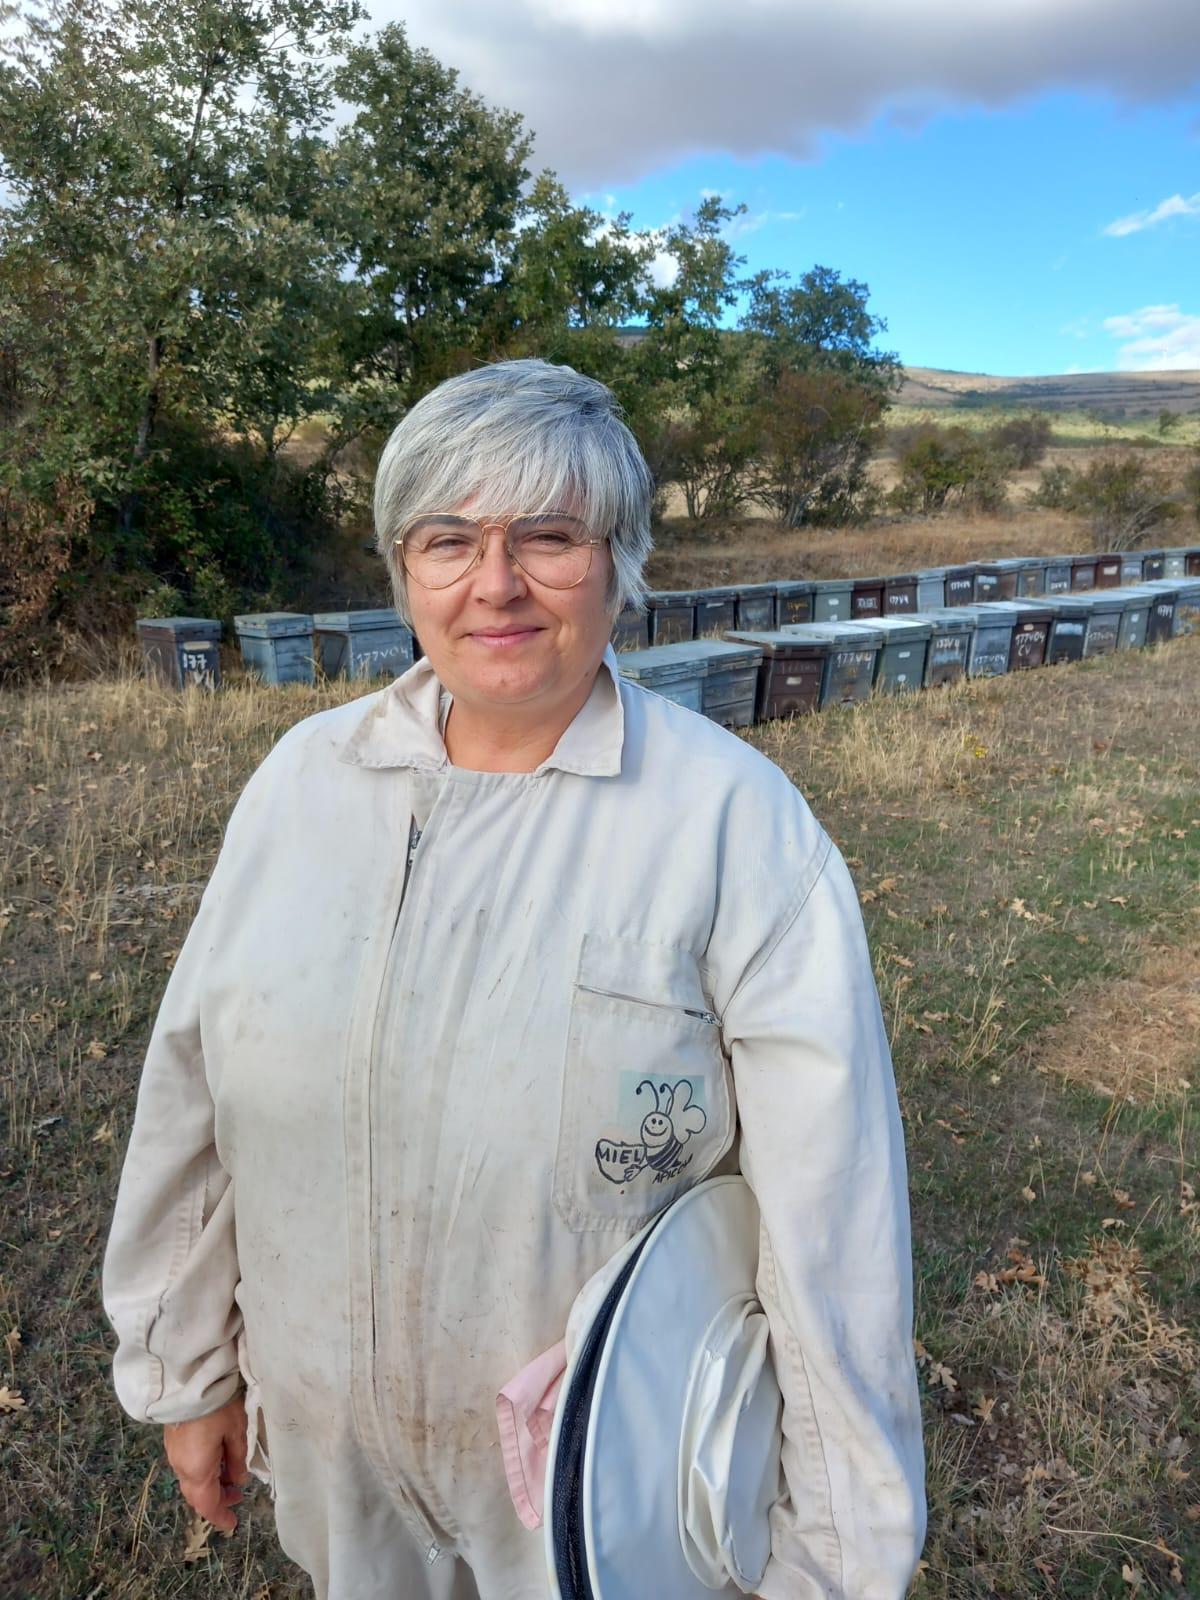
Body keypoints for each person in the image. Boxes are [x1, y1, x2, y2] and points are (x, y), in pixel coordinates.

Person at [103, 357, 926, 1599]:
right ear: (402, 568)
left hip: (598, 1499)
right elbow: (194, 1100)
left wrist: (834, 1557)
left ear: (621, 560)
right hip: (335, 1470)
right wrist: (187, 1373)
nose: (495, 582)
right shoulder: (299, 787)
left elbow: (835, 1225)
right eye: (448, 540)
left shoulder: (733, 827)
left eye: (548, 536)